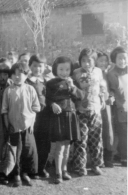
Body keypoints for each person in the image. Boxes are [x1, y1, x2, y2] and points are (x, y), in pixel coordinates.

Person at [46, 56, 84, 184]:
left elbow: (81, 96)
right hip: (59, 117)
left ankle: (65, 170)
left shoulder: (72, 81)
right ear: (55, 69)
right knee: (60, 146)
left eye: (67, 69)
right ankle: (57, 173)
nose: (64, 72)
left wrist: (73, 86)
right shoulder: (51, 83)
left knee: (67, 146)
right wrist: (52, 104)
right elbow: (46, 98)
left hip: (70, 116)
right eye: (61, 69)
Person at [1, 64, 40, 187]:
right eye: (14, 74)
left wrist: (32, 123)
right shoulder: (8, 90)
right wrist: (8, 126)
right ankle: (16, 173)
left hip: (27, 126)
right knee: (15, 151)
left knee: (27, 150)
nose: (17, 77)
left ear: (26, 75)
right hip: (13, 126)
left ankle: (25, 173)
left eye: (21, 74)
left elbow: (35, 108)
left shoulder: (30, 89)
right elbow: (5, 110)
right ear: (11, 76)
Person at [72, 48, 106, 176]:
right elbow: (72, 89)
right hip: (81, 111)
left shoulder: (98, 72)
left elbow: (102, 86)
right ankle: (80, 166)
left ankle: (96, 165)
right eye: (84, 61)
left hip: (95, 110)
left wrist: (102, 97)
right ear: (80, 61)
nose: (86, 63)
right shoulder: (75, 73)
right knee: (81, 139)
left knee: (96, 139)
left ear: (94, 61)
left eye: (89, 61)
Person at [26, 54, 50, 179]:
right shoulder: (26, 81)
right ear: (30, 66)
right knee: (32, 143)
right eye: (34, 66)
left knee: (44, 143)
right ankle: (32, 170)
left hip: (44, 115)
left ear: (44, 67)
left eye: (40, 66)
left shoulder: (45, 81)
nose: (37, 69)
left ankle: (41, 168)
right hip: (32, 116)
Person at [107, 46, 128, 167]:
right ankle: (124, 157)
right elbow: (111, 90)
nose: (122, 61)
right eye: (119, 59)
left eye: (125, 58)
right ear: (114, 60)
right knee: (123, 134)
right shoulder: (112, 74)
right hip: (121, 108)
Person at [96, 50, 115, 168]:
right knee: (97, 130)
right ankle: (98, 157)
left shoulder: (108, 74)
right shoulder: (94, 73)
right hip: (96, 104)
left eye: (105, 61)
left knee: (108, 130)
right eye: (100, 61)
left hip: (106, 105)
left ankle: (108, 157)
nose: (103, 63)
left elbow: (112, 88)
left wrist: (112, 96)